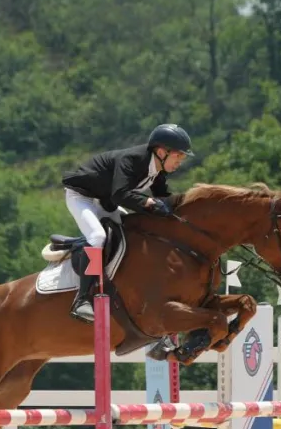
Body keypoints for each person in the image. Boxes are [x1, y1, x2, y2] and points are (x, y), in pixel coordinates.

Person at [60, 123, 193, 322]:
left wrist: (185, 209)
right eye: (178, 156)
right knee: (98, 236)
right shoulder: (132, 160)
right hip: (82, 197)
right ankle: (82, 300)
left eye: (182, 158)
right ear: (161, 152)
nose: (180, 162)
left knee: (135, 231)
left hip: (105, 202)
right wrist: (148, 203)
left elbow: (162, 196)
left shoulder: (157, 168)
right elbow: (120, 194)